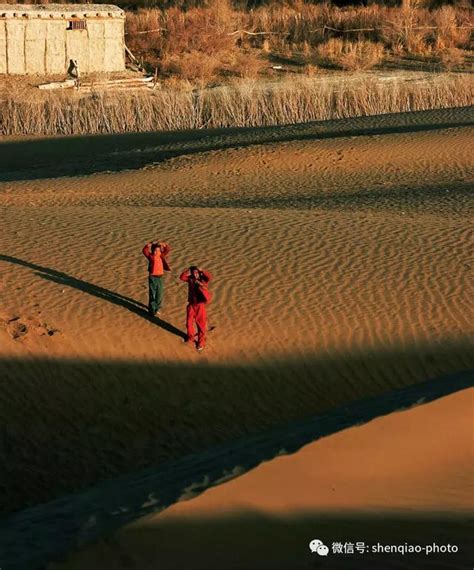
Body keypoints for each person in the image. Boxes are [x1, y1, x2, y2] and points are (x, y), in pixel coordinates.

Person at [179, 266, 212, 351]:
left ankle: (201, 342)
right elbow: (182, 277)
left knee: (201, 324)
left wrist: (203, 270)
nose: (195, 274)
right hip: (191, 305)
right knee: (189, 323)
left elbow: (210, 277)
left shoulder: (203, 280)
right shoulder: (190, 280)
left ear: (199, 273)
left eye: (196, 272)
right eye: (193, 272)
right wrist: (187, 270)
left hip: (200, 305)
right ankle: (190, 338)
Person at [142, 241, 171, 316]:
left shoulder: (161, 256)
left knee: (159, 295)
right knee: (152, 294)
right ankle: (152, 310)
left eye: (158, 250)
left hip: (160, 278)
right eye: (155, 250)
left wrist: (163, 244)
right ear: (153, 251)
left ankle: (156, 307)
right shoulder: (151, 257)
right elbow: (145, 251)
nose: (156, 252)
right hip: (152, 277)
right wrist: (150, 244)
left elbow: (167, 249)